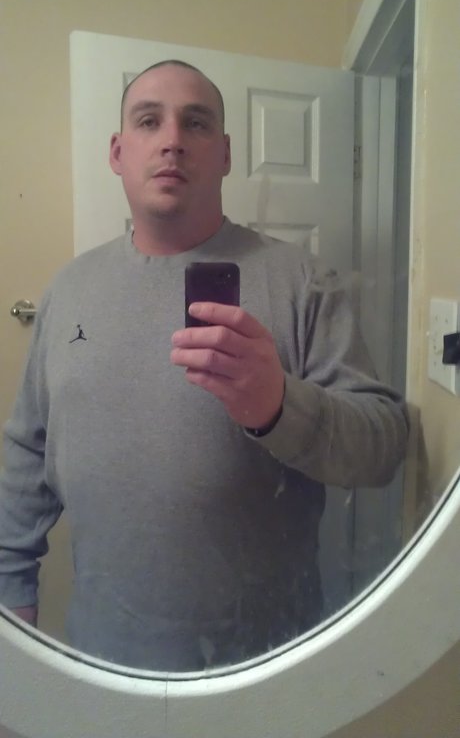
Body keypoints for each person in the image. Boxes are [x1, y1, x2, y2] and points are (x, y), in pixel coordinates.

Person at [0, 60, 409, 671]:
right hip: (101, 659)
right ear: (117, 152)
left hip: (264, 664)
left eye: (195, 123)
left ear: (224, 154)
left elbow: (384, 445)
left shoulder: (302, 281)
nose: (172, 140)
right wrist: (11, 588)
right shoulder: (69, 289)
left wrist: (279, 407)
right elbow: (28, 449)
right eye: (149, 121)